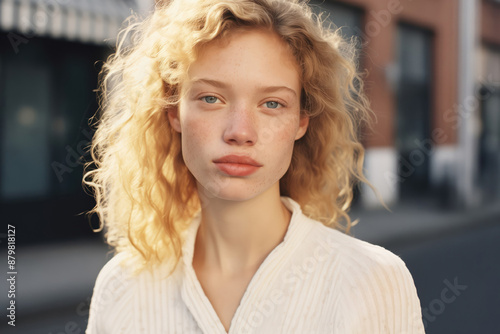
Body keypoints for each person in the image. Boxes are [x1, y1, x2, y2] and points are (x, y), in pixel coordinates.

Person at [84, 0, 425, 333]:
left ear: (301, 122)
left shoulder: (374, 281)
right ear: (174, 112)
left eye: (272, 104)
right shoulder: (122, 289)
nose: (240, 132)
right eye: (211, 99)